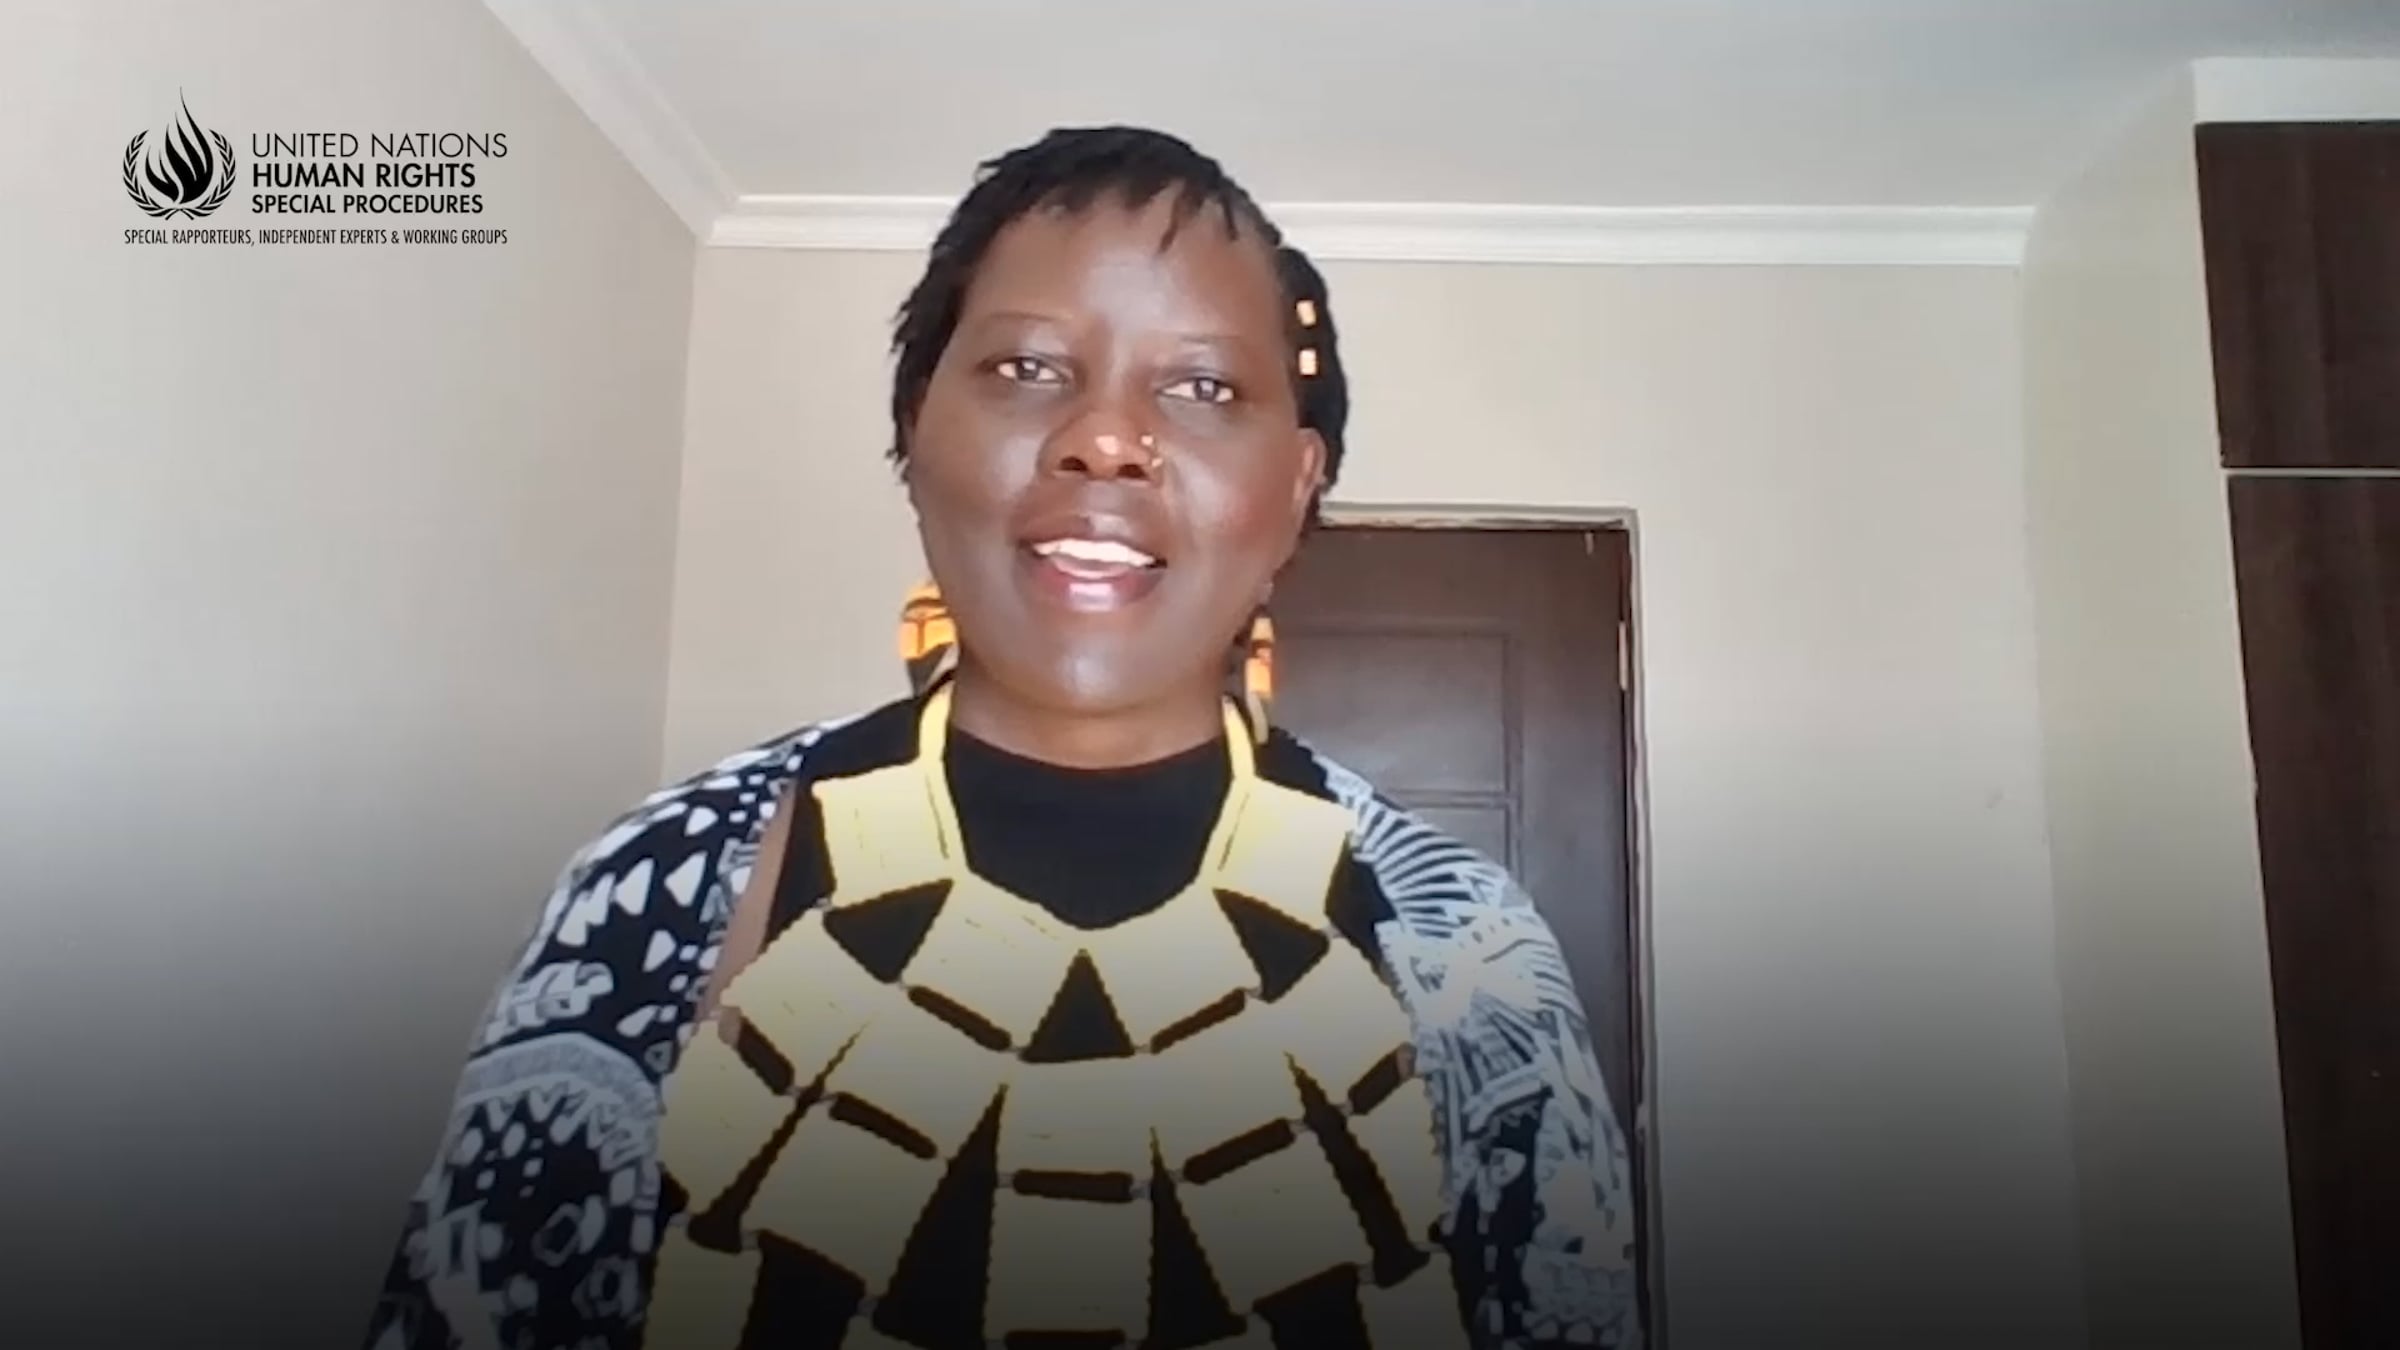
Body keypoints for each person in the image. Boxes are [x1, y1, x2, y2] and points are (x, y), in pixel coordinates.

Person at [364, 127, 1642, 1350]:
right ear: (916, 424)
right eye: (1029, 370)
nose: (1106, 440)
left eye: (1203, 388)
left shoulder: (1470, 952)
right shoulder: (665, 878)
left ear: (1298, 483)